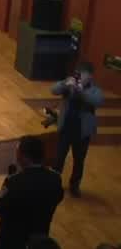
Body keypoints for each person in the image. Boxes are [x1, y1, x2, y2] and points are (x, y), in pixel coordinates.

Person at [0, 136, 63, 249]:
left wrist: (5, 187)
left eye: (17, 152)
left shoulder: (14, 182)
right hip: (38, 244)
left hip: (10, 246)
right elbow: (58, 198)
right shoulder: (55, 179)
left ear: (24, 157)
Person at [50, 62, 104, 196]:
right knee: (58, 158)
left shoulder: (95, 90)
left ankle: (74, 185)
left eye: (83, 75)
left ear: (90, 77)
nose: (79, 78)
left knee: (79, 161)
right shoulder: (70, 84)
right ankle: (53, 183)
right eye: (78, 74)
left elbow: (97, 101)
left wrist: (81, 92)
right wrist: (64, 84)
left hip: (82, 133)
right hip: (65, 129)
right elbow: (54, 90)